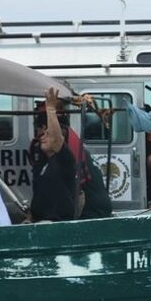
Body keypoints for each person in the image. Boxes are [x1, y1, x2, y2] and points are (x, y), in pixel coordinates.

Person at [30, 110, 111, 219]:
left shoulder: (66, 154)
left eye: (44, 133)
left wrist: (50, 109)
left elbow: (57, 141)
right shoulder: (72, 147)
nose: (40, 137)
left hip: (91, 212)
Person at [28, 87, 77, 222]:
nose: (42, 137)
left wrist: (50, 109)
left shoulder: (64, 159)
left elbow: (56, 139)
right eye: (42, 134)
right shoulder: (42, 163)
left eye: (47, 135)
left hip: (56, 222)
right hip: (39, 221)